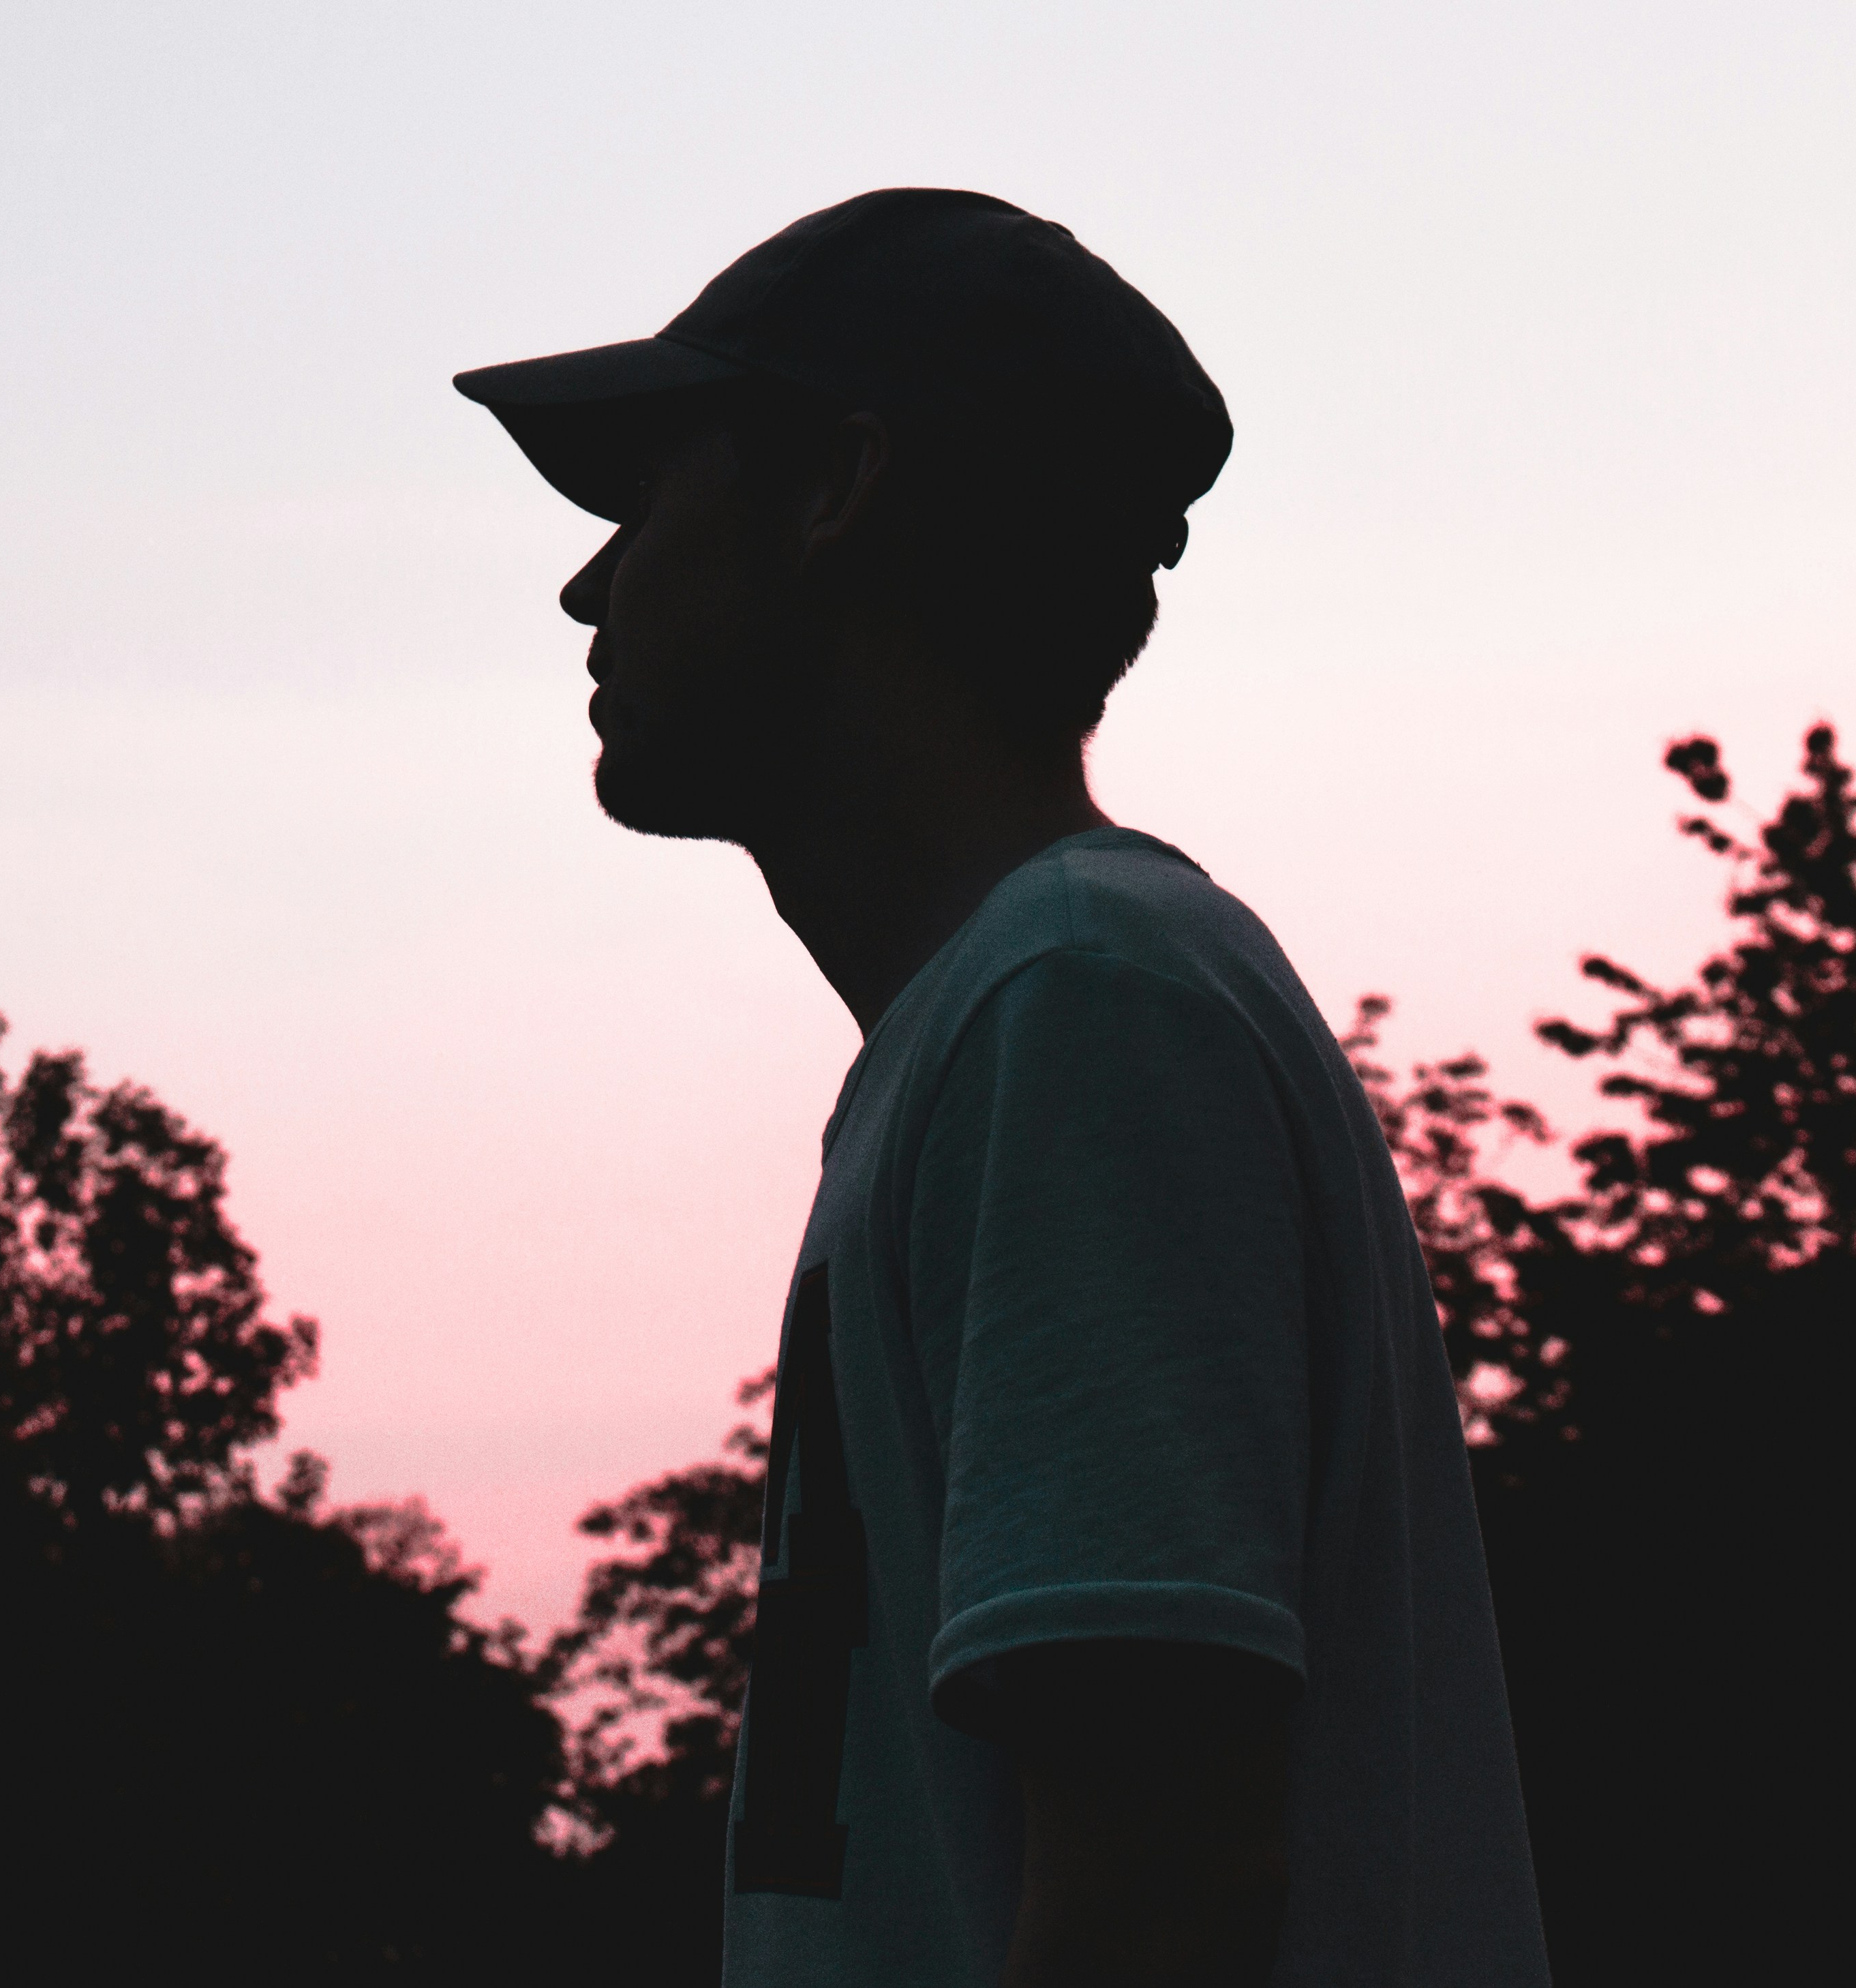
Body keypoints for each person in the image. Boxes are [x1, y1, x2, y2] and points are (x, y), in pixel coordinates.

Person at [454, 189, 1548, 1988]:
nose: (590, 577)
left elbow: (1156, 1891)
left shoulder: (1081, 1009)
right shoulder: (1015, 1018)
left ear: (834, 489)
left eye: (648, 492)